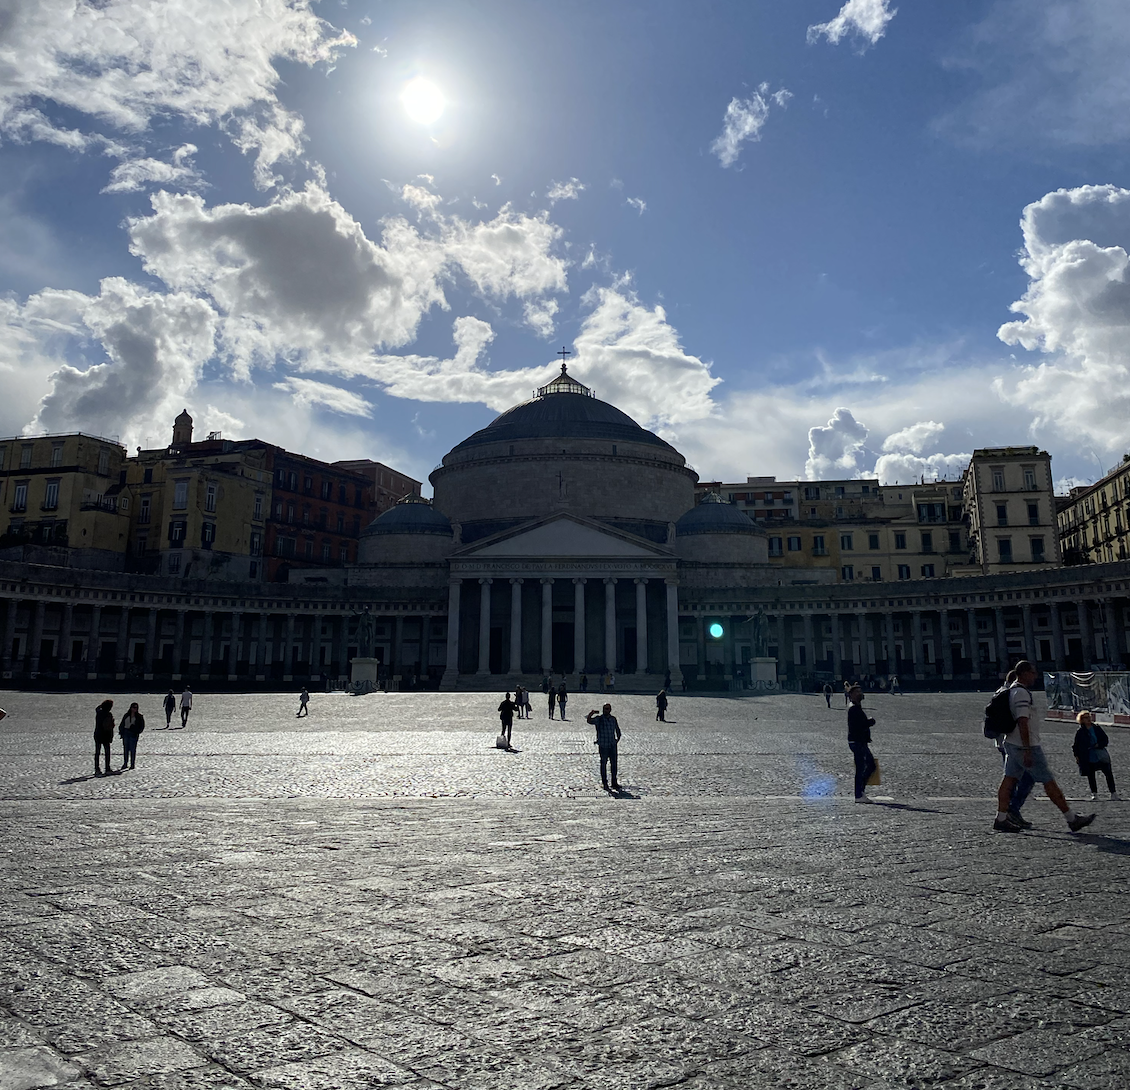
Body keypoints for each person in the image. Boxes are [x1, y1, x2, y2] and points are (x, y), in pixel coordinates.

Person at [994, 660, 1095, 833]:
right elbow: (1023, 721)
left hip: (1011, 742)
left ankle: (1001, 818)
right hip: (1026, 745)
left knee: (1008, 780)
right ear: (1024, 673)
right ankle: (1071, 819)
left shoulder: (1012, 691)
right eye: (1033, 672)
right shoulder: (1021, 694)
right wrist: (1027, 749)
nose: (1036, 676)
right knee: (1048, 781)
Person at [992, 670, 1036, 828]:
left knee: (1012, 778)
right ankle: (1012, 810)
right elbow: (1021, 721)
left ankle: (1007, 814)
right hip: (1013, 743)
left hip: (1003, 742)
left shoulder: (1000, 693)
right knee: (1026, 777)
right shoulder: (1013, 694)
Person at [1073, 711, 1120, 801]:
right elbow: (1076, 745)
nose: (1089, 719)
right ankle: (1094, 794)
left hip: (1100, 755)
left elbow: (1105, 739)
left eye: (1089, 717)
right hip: (1088, 756)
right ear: (1082, 720)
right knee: (1091, 776)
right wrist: (1077, 756)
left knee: (1108, 773)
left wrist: (1099, 745)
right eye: (1086, 717)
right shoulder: (1080, 732)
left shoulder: (1097, 728)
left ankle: (1113, 793)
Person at [847, 685, 877, 803]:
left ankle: (860, 791)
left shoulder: (856, 707)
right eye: (857, 692)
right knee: (863, 767)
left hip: (859, 741)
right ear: (852, 695)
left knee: (868, 766)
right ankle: (859, 794)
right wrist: (870, 722)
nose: (860, 693)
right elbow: (858, 726)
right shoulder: (854, 708)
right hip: (857, 742)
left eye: (860, 691)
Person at [586, 702, 622, 793]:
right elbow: (589, 721)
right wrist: (591, 713)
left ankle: (614, 781)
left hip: (612, 745)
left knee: (614, 764)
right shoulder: (599, 719)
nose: (607, 710)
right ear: (603, 709)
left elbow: (617, 730)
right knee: (603, 764)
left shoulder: (613, 719)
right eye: (605, 709)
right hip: (603, 745)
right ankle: (604, 782)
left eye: (608, 708)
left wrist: (617, 739)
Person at [118, 701, 145, 771]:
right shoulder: (126, 715)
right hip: (126, 734)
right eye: (133, 707)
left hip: (133, 734)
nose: (134, 709)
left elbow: (142, 726)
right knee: (126, 749)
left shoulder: (139, 717)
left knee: (133, 750)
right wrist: (121, 732)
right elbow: (122, 724)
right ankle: (125, 763)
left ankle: (132, 764)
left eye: (136, 708)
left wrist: (137, 732)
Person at [94, 699, 115, 776]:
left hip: (97, 734)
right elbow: (110, 726)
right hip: (106, 735)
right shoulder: (108, 714)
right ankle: (107, 767)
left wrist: (101, 705)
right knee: (107, 752)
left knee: (97, 752)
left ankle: (97, 768)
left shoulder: (99, 713)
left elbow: (97, 708)